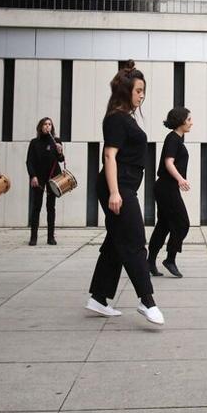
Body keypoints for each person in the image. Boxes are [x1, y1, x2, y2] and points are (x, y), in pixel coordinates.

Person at [86, 61, 163, 325]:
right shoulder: (116, 119)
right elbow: (109, 155)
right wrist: (114, 193)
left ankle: (99, 297)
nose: (142, 95)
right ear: (126, 91)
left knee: (116, 242)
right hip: (118, 187)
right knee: (134, 239)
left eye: (144, 91)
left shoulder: (124, 117)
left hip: (124, 186)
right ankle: (146, 300)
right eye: (138, 90)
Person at [150, 107, 192, 277]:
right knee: (182, 223)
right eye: (189, 119)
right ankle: (170, 259)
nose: (191, 123)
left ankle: (149, 261)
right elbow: (169, 162)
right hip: (166, 187)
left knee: (164, 225)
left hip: (166, 187)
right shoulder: (173, 138)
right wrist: (180, 179)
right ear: (181, 121)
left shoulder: (177, 139)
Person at [26, 117, 65, 246]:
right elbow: (29, 161)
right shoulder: (34, 142)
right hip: (39, 177)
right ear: (40, 127)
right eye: (45, 124)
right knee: (36, 206)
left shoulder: (56, 141)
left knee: (51, 207)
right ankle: (33, 237)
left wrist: (60, 151)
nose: (47, 126)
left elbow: (60, 159)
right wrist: (33, 176)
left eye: (49, 124)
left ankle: (50, 237)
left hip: (53, 178)